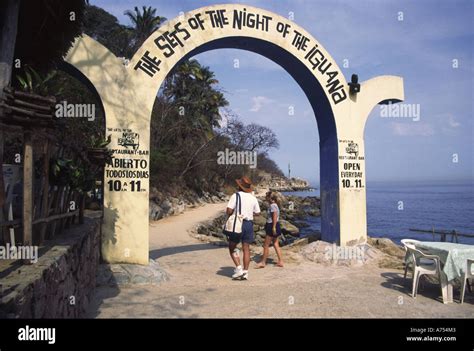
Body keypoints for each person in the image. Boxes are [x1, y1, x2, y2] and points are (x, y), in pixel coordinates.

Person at [226, 176, 261, 280]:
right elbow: (258, 213)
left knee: (232, 247)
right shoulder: (253, 198)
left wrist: (233, 213)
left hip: (238, 224)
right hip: (249, 224)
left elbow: (229, 210)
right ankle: (245, 272)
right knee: (246, 249)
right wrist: (249, 214)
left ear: (239, 186)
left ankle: (238, 268)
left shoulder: (235, 196)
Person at [256, 191, 284, 268]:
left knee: (266, 245)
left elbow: (274, 217)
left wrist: (273, 227)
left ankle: (263, 262)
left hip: (272, 225)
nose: (265, 198)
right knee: (275, 244)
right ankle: (280, 261)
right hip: (274, 225)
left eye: (266, 197)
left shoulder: (273, 206)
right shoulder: (275, 205)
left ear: (270, 198)